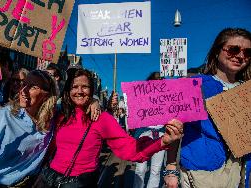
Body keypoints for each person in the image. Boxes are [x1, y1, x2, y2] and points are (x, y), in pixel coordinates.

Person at [34, 68, 184, 188]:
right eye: (74, 87)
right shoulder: (61, 113)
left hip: (79, 183)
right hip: (49, 178)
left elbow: (130, 148)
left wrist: (162, 142)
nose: (79, 91)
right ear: (68, 90)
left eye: (85, 87)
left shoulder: (101, 118)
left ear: (91, 90)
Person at [164, 28, 251, 188]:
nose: (240, 56)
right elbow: (174, 128)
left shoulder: (247, 90)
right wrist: (171, 169)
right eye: (234, 49)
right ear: (217, 52)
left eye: (247, 52)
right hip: (203, 172)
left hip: (241, 171)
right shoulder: (195, 84)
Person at [0, 70, 58, 187]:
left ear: (47, 95)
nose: (23, 90)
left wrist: (90, 103)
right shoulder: (3, 117)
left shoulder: (53, 120)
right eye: (24, 84)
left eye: (33, 87)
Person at [133, 71, 166, 188]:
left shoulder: (167, 99)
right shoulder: (141, 98)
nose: (158, 82)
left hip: (161, 135)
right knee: (140, 169)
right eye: (156, 80)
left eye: (161, 80)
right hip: (144, 134)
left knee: (156, 170)